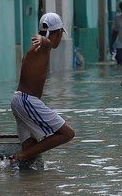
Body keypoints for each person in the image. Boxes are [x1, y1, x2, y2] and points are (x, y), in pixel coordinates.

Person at [11, 12, 75, 165]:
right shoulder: (42, 47)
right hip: (26, 101)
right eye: (61, 34)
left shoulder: (35, 50)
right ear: (58, 33)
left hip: (19, 100)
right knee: (67, 134)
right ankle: (19, 157)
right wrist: (43, 39)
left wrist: (42, 40)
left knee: (31, 148)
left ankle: (17, 169)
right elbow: (46, 42)